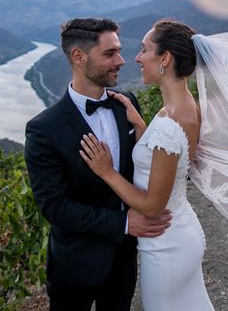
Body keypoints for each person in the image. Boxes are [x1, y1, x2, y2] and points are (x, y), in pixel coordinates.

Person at [24, 17, 172, 311]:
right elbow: (54, 206)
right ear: (78, 57)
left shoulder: (126, 102)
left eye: (118, 50)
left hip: (124, 260)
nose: (121, 60)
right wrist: (125, 223)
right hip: (75, 264)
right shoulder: (44, 128)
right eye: (109, 54)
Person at [80, 19, 214, 311]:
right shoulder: (184, 106)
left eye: (144, 50)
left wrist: (107, 172)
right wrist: (142, 126)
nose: (137, 58)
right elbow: (169, 159)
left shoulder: (170, 123)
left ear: (164, 58)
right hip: (181, 231)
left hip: (165, 246)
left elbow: (152, 207)